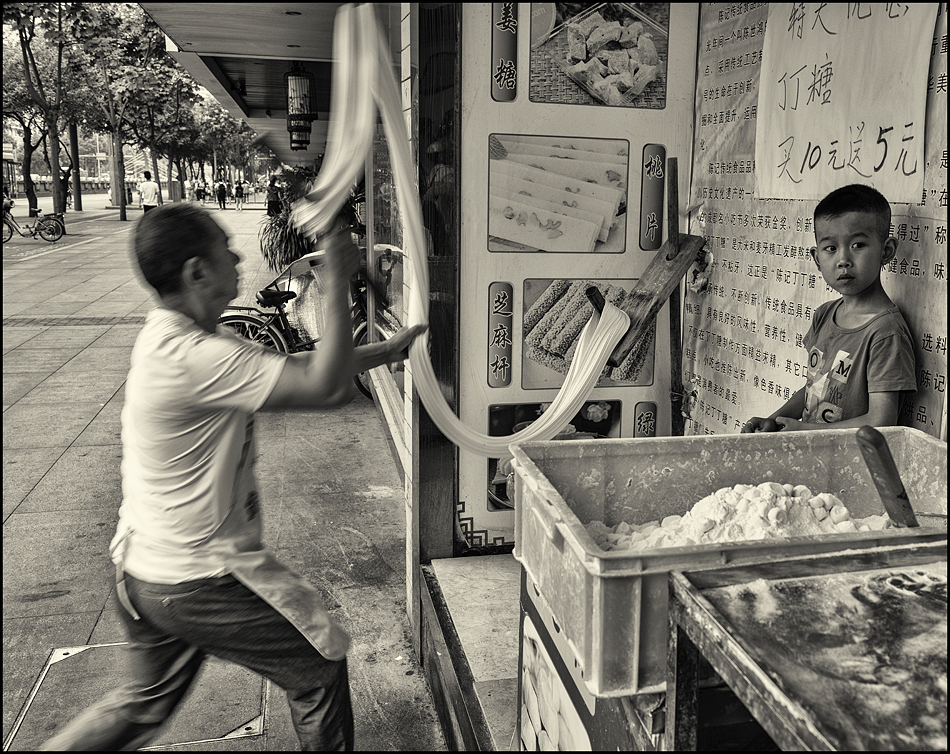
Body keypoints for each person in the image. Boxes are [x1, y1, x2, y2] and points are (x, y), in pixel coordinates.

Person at [39, 204, 427, 751]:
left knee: (141, 706)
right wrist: (337, 277)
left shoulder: (183, 338)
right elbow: (326, 389)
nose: (240, 255)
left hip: (142, 570)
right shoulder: (195, 355)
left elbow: (299, 369)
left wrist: (387, 349)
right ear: (198, 272)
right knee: (318, 664)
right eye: (227, 248)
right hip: (195, 578)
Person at [742, 184, 916, 434]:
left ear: (886, 251)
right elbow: (815, 389)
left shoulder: (885, 332)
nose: (843, 259)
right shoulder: (824, 314)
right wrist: (775, 419)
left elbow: (883, 420)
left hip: (853, 464)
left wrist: (805, 431)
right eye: (831, 248)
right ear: (817, 258)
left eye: (858, 245)